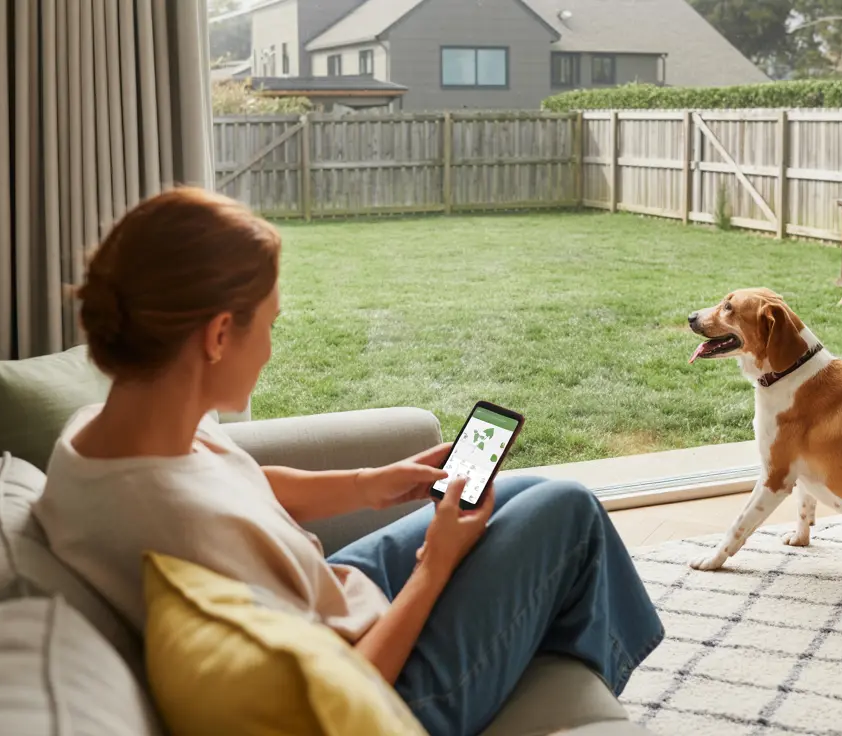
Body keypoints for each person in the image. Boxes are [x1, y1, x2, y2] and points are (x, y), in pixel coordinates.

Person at [33, 187, 664, 736]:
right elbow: (348, 689)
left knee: (520, 489)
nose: (271, 350)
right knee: (568, 510)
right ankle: (586, 698)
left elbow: (242, 482)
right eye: (270, 326)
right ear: (219, 335)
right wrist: (435, 565)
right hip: (387, 687)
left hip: (326, 593)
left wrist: (371, 484)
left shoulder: (108, 429)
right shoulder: (172, 520)